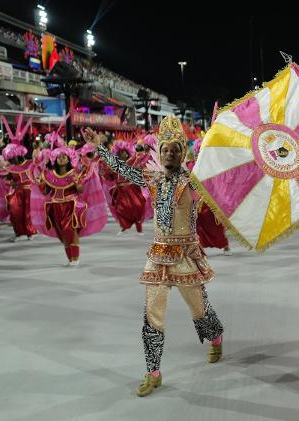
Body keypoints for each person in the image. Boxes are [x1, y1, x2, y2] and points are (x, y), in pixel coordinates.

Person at [84, 117, 224, 398]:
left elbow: (220, 187)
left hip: (185, 255)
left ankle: (216, 337)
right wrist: (101, 149)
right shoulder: (152, 179)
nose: (169, 153)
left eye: (175, 149)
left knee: (199, 308)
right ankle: (153, 373)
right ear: (158, 153)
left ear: (182, 154)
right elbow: (122, 170)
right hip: (158, 256)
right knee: (152, 317)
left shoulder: (194, 182)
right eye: (165, 149)